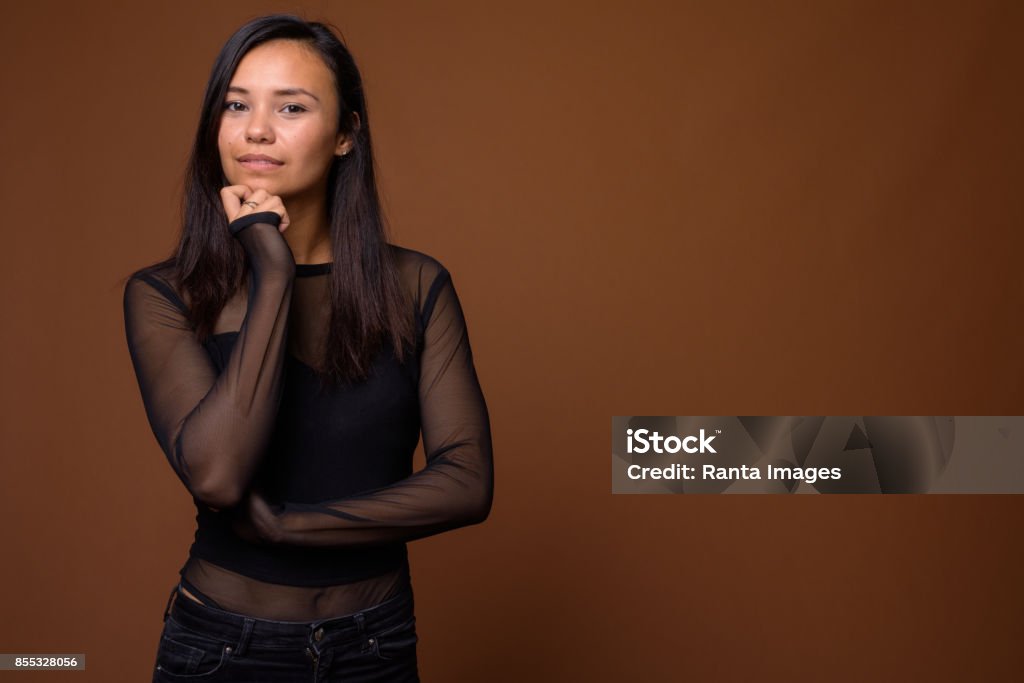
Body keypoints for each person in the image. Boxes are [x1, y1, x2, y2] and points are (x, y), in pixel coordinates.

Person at [122, 14, 493, 682]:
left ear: (347, 133)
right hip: (222, 649)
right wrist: (273, 270)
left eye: (291, 106)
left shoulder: (416, 284)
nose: (256, 128)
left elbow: (466, 482)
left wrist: (294, 528)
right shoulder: (164, 294)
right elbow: (217, 475)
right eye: (236, 105)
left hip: (377, 646)